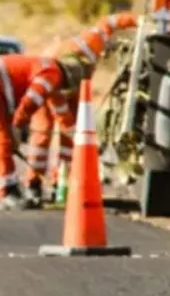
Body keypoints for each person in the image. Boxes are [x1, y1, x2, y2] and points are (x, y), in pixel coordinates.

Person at [0, 52, 94, 210]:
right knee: (1, 139)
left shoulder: (49, 72)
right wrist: (17, 126)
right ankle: (6, 192)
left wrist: (82, 141)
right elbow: (31, 100)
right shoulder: (51, 74)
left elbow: (62, 115)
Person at [27, 13, 138, 202]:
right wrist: (71, 129)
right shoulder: (52, 70)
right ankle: (33, 183)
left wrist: (138, 20)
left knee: (69, 141)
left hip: (75, 90)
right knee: (43, 133)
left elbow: (109, 22)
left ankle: (60, 181)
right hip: (46, 90)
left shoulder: (91, 42)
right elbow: (60, 111)